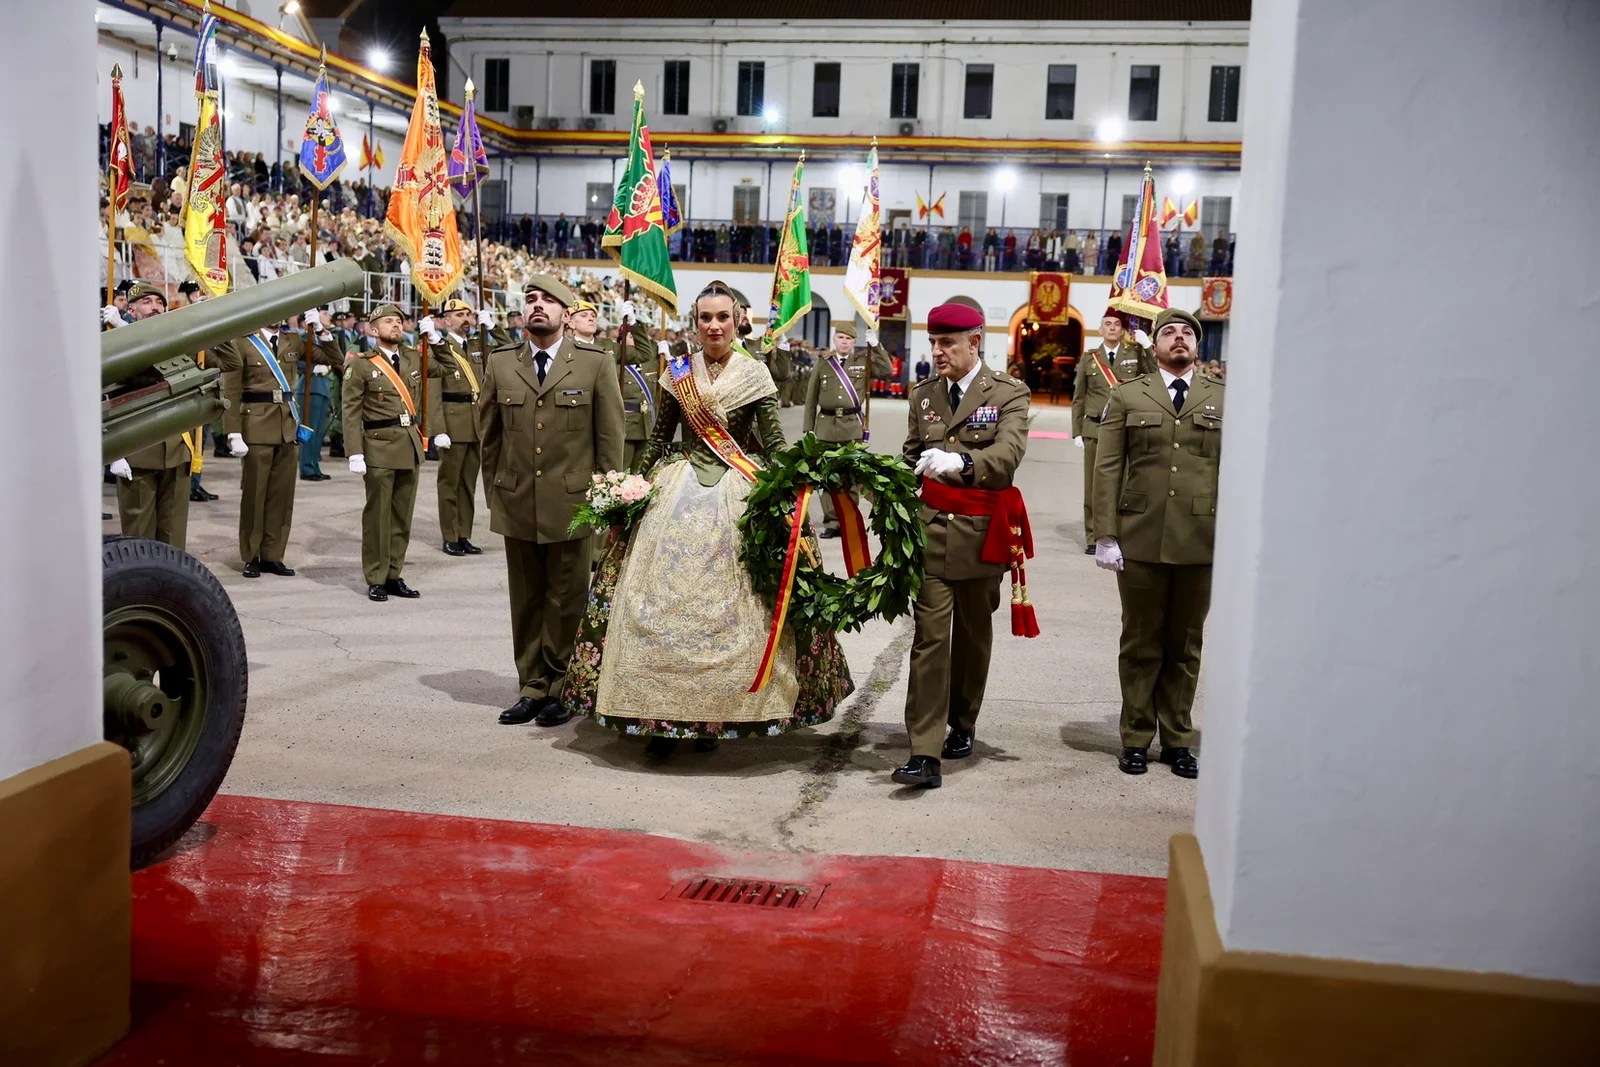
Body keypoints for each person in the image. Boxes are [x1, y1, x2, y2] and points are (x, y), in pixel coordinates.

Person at [562, 280, 853, 757]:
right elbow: (657, 440)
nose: (714, 326)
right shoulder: (677, 371)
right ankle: (657, 721)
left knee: (738, 609)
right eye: (705, 318)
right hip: (675, 491)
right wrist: (629, 491)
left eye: (722, 317)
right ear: (694, 323)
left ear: (738, 319)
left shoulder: (755, 372)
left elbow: (774, 442)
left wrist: (792, 483)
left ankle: (715, 720)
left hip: (737, 490)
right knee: (655, 603)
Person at [893, 302, 1032, 789]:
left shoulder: (1009, 393)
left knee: (973, 639)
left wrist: (960, 463)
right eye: (934, 342)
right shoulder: (924, 394)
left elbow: (1008, 453)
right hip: (931, 534)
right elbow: (911, 455)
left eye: (948, 342)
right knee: (930, 640)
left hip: (980, 536)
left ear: (975, 341)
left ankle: (963, 722)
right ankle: (924, 750)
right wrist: (898, 483)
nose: (938, 351)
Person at [479, 276, 624, 728]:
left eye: (548, 300)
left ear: (566, 312)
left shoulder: (594, 364)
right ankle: (531, 686)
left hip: (573, 502)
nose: (537, 306)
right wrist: (497, 495)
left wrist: (604, 499)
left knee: (566, 599)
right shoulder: (502, 363)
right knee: (526, 600)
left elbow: (609, 437)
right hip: (518, 499)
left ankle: (562, 686)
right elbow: (489, 438)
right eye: (530, 300)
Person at [1092, 308, 1221, 781]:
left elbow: (1235, 470)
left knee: (1186, 645)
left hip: (1200, 539)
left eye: (1188, 332)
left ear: (1196, 345)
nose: (1179, 337)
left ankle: (1178, 740)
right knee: (1142, 640)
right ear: (1155, 344)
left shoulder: (1222, 398)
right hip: (1141, 536)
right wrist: (1104, 533)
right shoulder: (1127, 395)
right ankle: (1135, 737)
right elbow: (1107, 467)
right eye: (1169, 331)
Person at [342, 303, 451, 602]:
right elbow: (350, 411)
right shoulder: (361, 364)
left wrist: (437, 339)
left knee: (402, 516)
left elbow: (449, 368)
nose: (396, 325)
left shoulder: (415, 357)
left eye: (399, 321)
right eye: (388, 321)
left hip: (409, 444)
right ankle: (376, 577)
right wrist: (354, 451)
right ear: (372, 330)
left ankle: (393, 574)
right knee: (378, 516)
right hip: (378, 445)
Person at [215, 315, 326, 578]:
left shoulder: (294, 340)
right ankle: (251, 555)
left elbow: (329, 357)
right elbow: (230, 390)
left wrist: (321, 330)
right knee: (255, 495)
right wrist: (232, 431)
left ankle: (273, 555)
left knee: (281, 496)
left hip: (288, 425)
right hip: (255, 425)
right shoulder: (242, 342)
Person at [104, 282, 195, 548]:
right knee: (139, 540)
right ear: (131, 309)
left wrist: (206, 313)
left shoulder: (177, 340)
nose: (155, 308)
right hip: (138, 449)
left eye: (159, 302)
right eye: (147, 302)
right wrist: (115, 451)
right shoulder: (114, 343)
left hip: (176, 448)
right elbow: (106, 395)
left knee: (174, 540)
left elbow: (226, 361)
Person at [1072, 307, 1156, 552]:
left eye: (1116, 324)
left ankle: (1118, 532)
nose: (1111, 327)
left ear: (1122, 330)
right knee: (1093, 486)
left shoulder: (1135, 353)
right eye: (1107, 323)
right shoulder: (1090, 357)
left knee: (1123, 483)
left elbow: (1152, 376)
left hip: (1125, 428)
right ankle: (1092, 536)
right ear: (1100, 329)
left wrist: (1148, 346)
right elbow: (1079, 397)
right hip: (1095, 428)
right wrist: (1077, 430)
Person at [801, 321, 894, 537]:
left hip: (852, 426)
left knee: (851, 478)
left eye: (849, 338)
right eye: (841, 338)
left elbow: (887, 370)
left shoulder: (863, 361)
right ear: (834, 339)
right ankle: (832, 523)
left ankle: (848, 520)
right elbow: (810, 399)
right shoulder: (824, 362)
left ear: (854, 342)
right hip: (825, 425)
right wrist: (808, 429)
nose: (844, 342)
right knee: (826, 477)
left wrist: (877, 345)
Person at [419, 298, 493, 557]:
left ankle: (464, 534)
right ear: (446, 320)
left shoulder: (477, 345)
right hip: (452, 422)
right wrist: (437, 429)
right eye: (459, 314)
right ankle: (450, 535)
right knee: (449, 483)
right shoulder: (439, 346)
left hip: (476, 422)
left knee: (468, 484)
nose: (465, 319)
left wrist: (493, 329)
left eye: (468, 315)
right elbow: (434, 390)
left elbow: (512, 352)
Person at [293, 307, 345, 483]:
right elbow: (296, 361)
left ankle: (314, 464)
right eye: (324, 314)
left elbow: (336, 357)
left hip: (323, 385)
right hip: (310, 384)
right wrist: (315, 367)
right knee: (308, 429)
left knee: (319, 431)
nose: (328, 316)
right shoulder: (303, 338)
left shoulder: (326, 338)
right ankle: (306, 467)